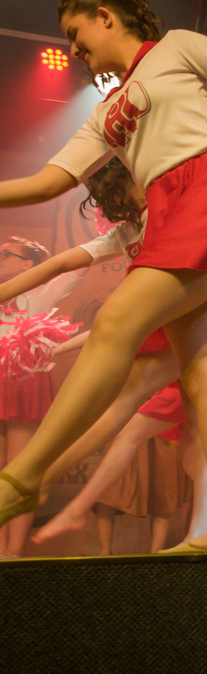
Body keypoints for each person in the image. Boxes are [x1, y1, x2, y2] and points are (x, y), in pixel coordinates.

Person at [0, 0, 207, 550]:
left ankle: (22, 478)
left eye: (76, 35)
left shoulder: (176, 48)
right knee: (203, 373)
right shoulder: (102, 112)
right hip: (170, 214)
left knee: (118, 323)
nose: (73, 50)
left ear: (105, 18)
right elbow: (50, 181)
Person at [0, 236, 84, 554]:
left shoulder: (39, 293)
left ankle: (14, 552)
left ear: (27, 265)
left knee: (18, 466)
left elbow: (79, 267)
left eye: (6, 254)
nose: (0, 258)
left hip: (22, 382)